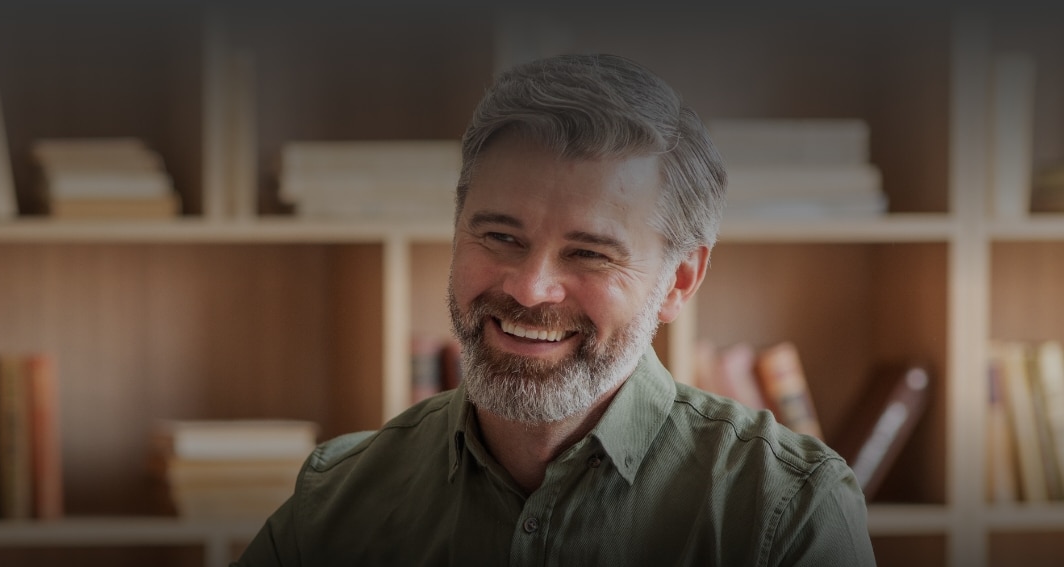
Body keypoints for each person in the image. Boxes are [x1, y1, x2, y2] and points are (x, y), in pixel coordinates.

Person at [233, 53, 875, 566]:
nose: (529, 288)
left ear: (679, 280)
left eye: (590, 253)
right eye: (501, 238)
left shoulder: (786, 511)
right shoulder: (335, 499)